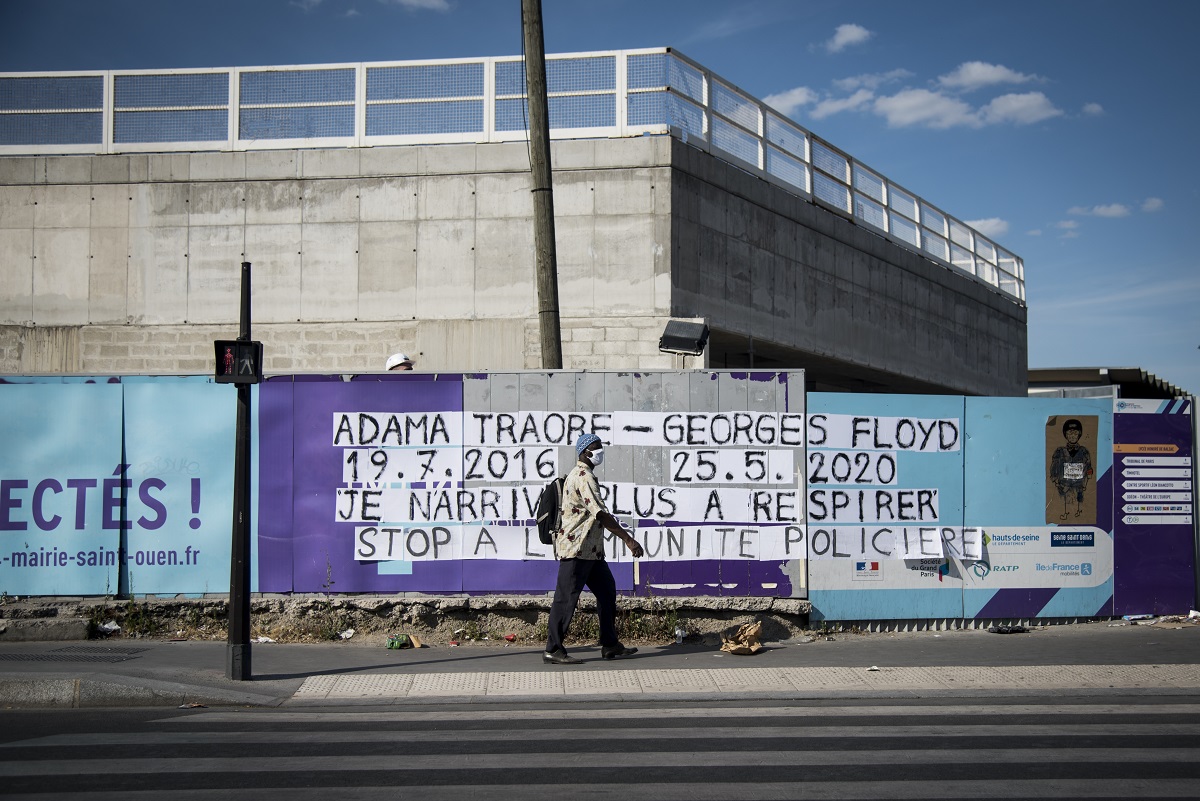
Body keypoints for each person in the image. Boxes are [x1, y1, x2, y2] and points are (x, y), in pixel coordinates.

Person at [543, 433, 645, 665]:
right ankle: (553, 649)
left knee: (607, 592)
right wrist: (628, 540)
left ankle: (610, 644)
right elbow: (600, 514)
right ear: (585, 452)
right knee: (565, 599)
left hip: (591, 552)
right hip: (577, 549)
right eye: (596, 448)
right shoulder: (583, 476)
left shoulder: (583, 475)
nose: (600, 453)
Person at [1050, 418, 1092, 520]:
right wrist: (1055, 480)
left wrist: (1086, 481)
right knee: (1064, 504)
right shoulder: (1060, 451)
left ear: (1079, 434)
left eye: (1075, 433)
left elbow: (1089, 468)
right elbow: (1054, 467)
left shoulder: (1084, 451)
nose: (1072, 436)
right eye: (1069, 433)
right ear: (1065, 435)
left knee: (1079, 505)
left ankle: (1079, 513)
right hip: (1064, 485)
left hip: (1079, 486)